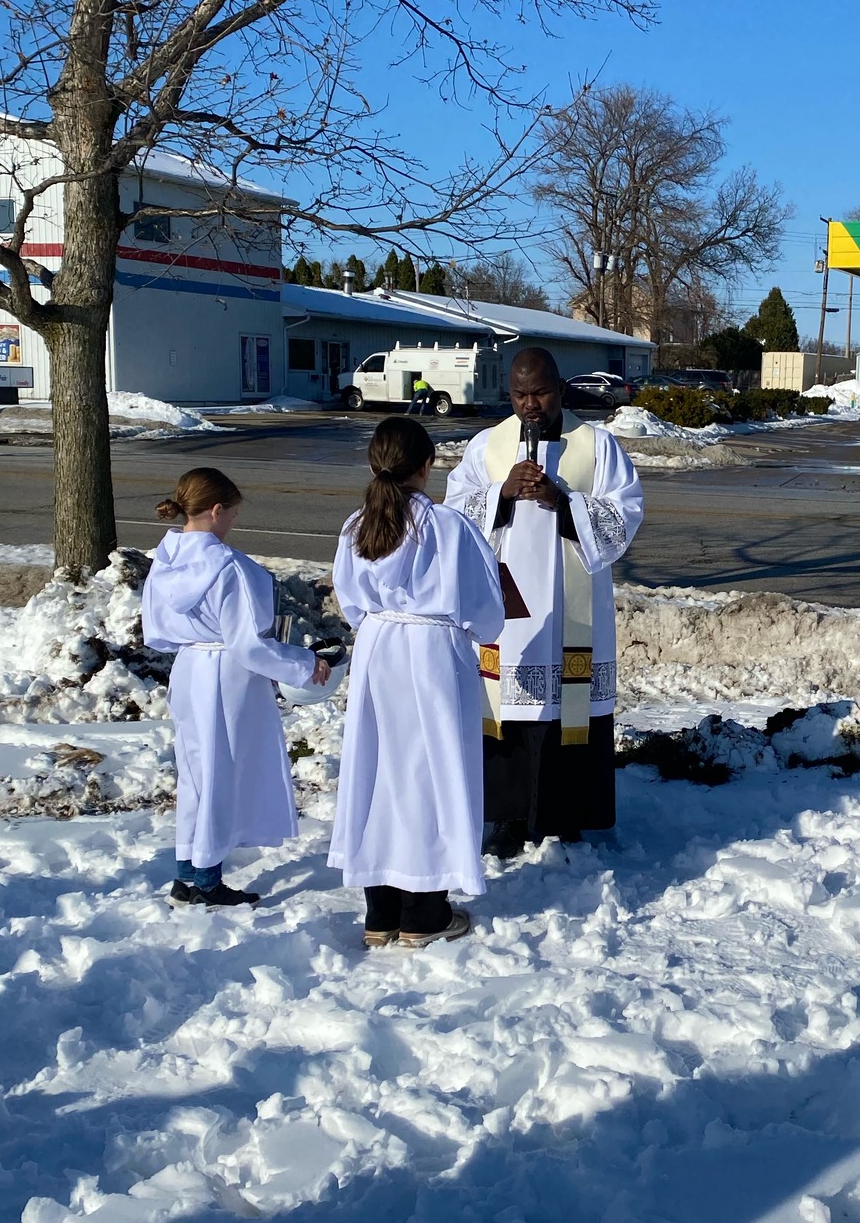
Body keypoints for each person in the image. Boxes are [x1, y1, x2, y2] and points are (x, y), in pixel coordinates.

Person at [443, 347, 643, 853]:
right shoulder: (488, 446)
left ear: (560, 389)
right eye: (519, 395)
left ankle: (565, 814)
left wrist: (562, 501)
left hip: (572, 609)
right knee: (506, 712)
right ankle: (507, 819)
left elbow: (625, 515)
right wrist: (500, 494)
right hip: (507, 613)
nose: (530, 405)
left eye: (540, 393)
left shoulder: (596, 446)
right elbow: (454, 514)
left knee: (568, 713)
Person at [330, 417, 504, 946]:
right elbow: (487, 611)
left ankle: (380, 910)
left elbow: (349, 598)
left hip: (378, 649)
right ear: (427, 466)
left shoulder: (357, 525)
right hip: (433, 655)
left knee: (379, 770)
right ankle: (424, 912)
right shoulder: (449, 527)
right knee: (430, 773)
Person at [142, 467, 330, 907]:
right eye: (233, 514)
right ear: (216, 510)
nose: (233, 522)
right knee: (221, 775)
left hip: (189, 668)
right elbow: (248, 645)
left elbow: (156, 630)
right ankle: (207, 880)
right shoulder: (230, 566)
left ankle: (187, 872)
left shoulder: (166, 560)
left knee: (196, 773)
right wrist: (304, 664)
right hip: (227, 674)